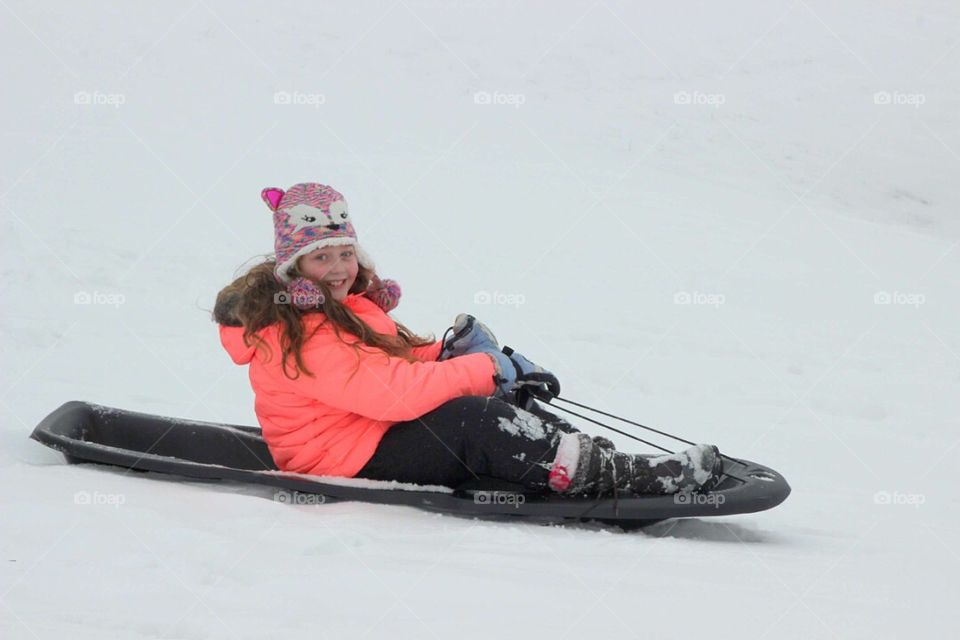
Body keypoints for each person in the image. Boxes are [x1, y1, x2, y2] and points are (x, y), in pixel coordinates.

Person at [213, 182, 723, 497]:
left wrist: (448, 353)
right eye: (322, 257)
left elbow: (388, 360)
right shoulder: (294, 335)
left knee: (499, 399)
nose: (339, 267)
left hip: (367, 429)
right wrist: (483, 368)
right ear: (295, 269)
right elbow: (393, 393)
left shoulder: (344, 307)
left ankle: (601, 463)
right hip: (337, 457)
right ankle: (607, 474)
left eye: (345, 253)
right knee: (472, 420)